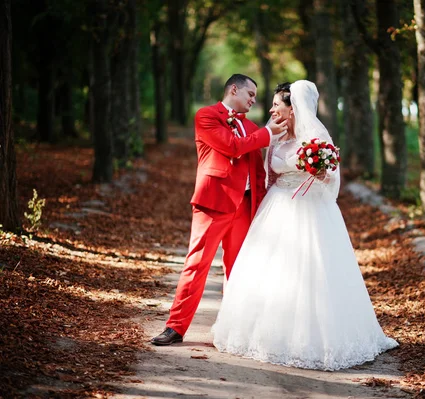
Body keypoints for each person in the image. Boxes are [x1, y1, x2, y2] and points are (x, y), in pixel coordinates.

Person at [211, 80, 398, 370]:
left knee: (313, 273)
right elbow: (268, 176)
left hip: (311, 209)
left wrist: (321, 173)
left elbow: (331, 176)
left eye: (276, 104)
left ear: (292, 108)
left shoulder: (316, 135)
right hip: (276, 207)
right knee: (272, 273)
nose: (271, 109)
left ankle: (315, 338)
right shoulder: (274, 136)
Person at [151, 74, 287, 346]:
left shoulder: (251, 126)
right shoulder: (206, 116)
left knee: (238, 270)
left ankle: (233, 330)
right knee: (196, 265)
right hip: (214, 203)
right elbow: (231, 147)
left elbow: (257, 172)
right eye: (250, 94)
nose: (253, 100)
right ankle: (175, 327)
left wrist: (260, 207)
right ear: (233, 89)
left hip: (245, 206)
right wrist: (267, 133)